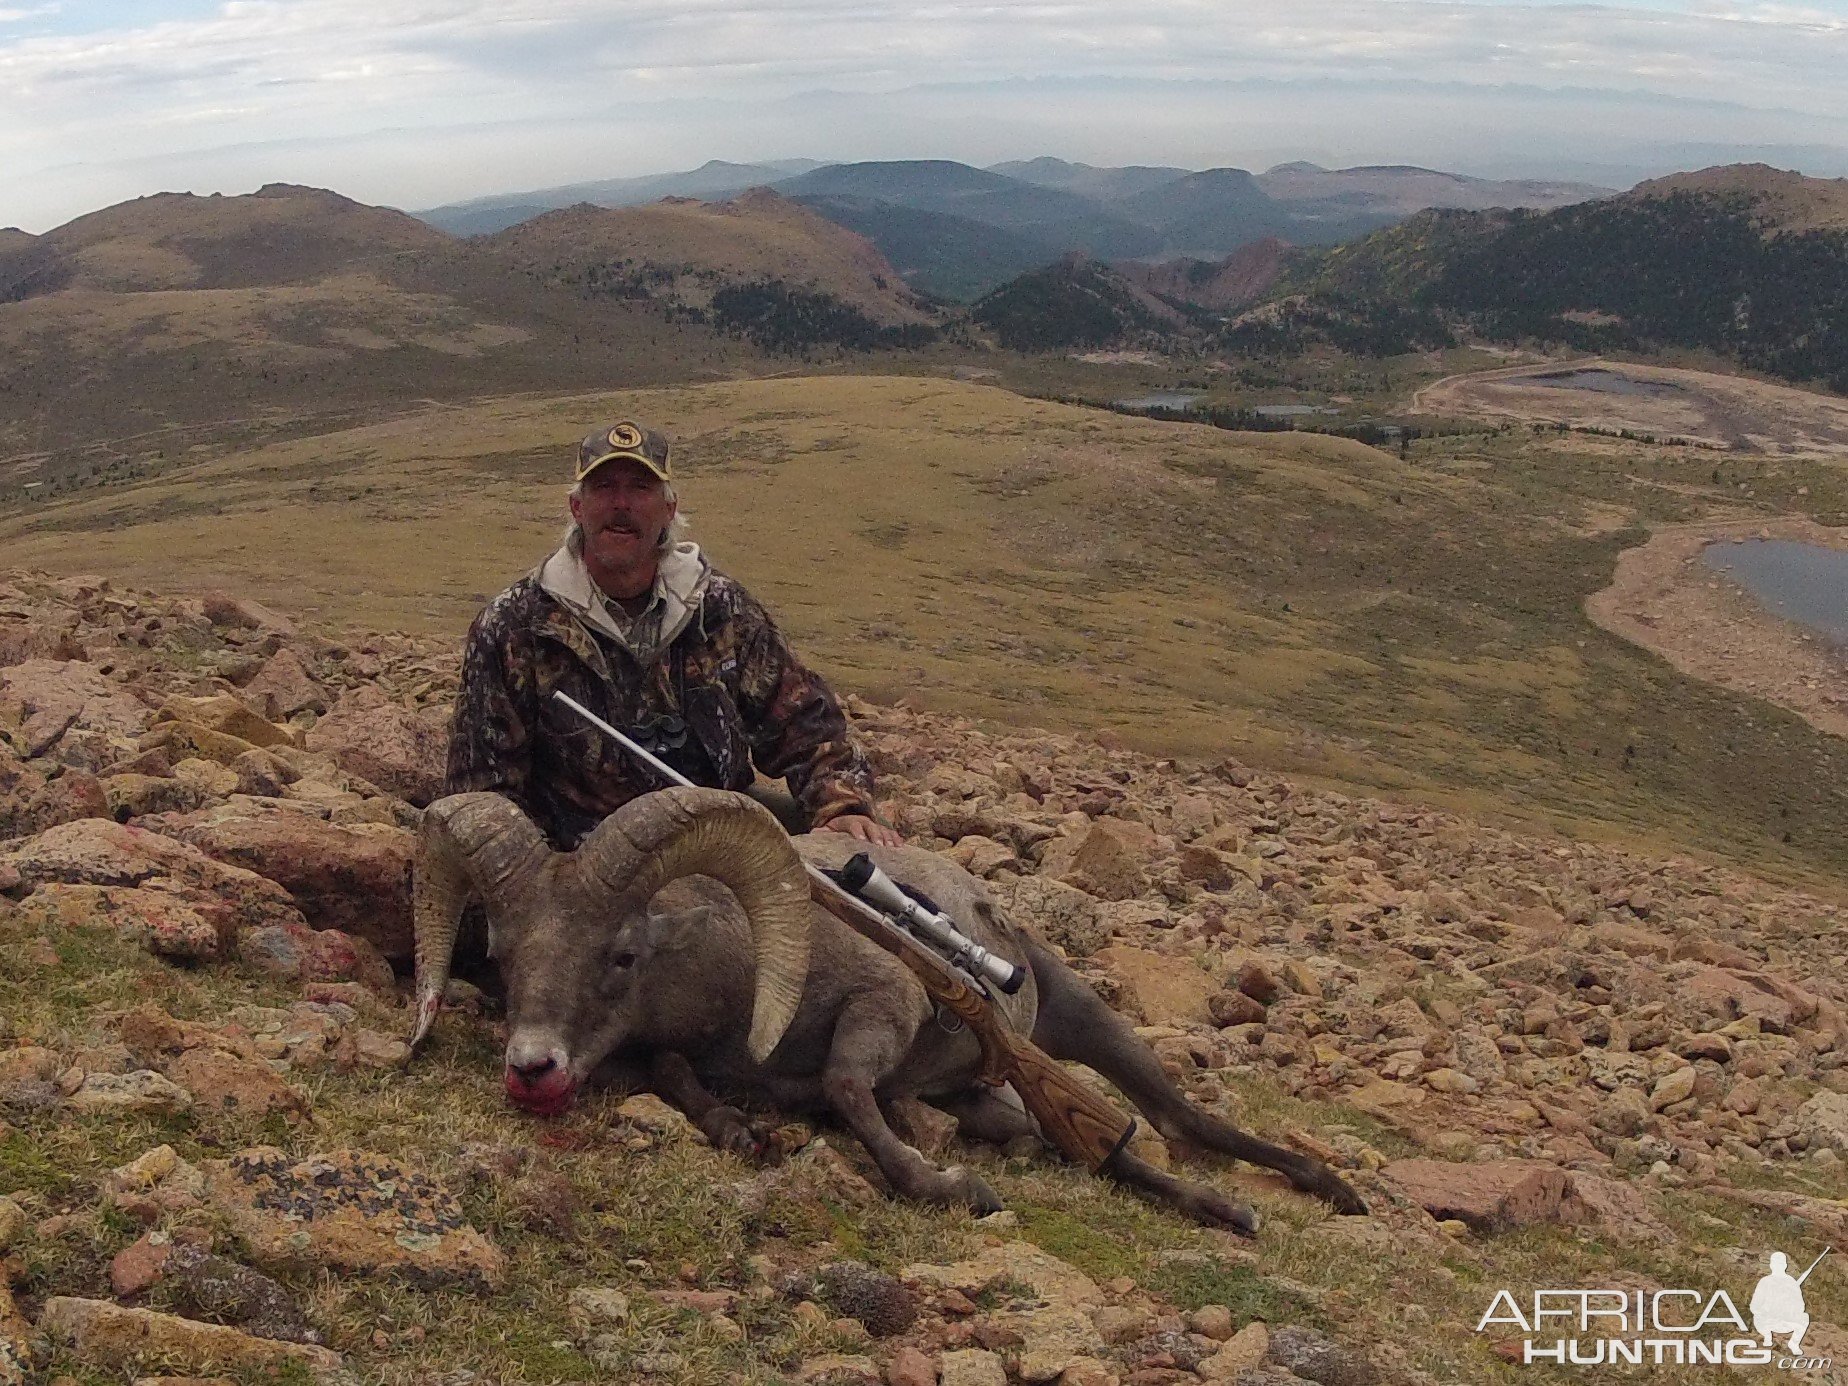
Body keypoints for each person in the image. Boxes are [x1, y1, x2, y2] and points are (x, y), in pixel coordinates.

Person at [446, 419, 902, 852]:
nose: (621, 505)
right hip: (578, 866)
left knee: (849, 862)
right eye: (604, 487)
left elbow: (804, 722)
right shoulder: (514, 626)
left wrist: (841, 803)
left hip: (714, 847)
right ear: (577, 507)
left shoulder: (721, 609)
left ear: (669, 508)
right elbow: (484, 792)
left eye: (639, 488)